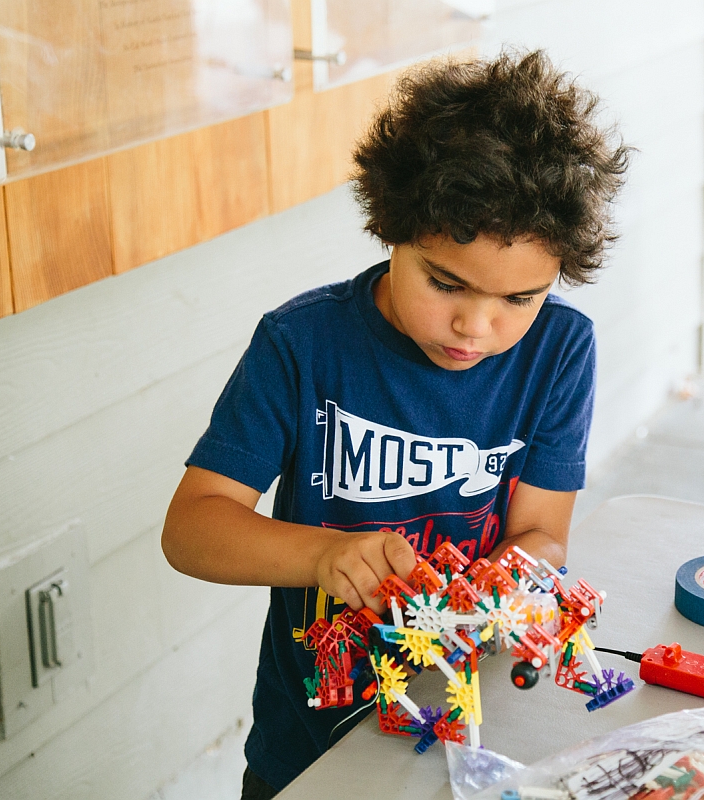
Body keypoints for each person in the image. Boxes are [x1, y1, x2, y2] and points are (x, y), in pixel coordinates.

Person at [161, 51, 629, 798]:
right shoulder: (303, 345)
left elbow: (542, 535)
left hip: (470, 714)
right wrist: (323, 557)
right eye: (446, 283)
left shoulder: (560, 349)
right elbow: (191, 529)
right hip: (313, 735)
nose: (477, 325)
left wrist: (490, 588)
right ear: (391, 229)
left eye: (520, 298)